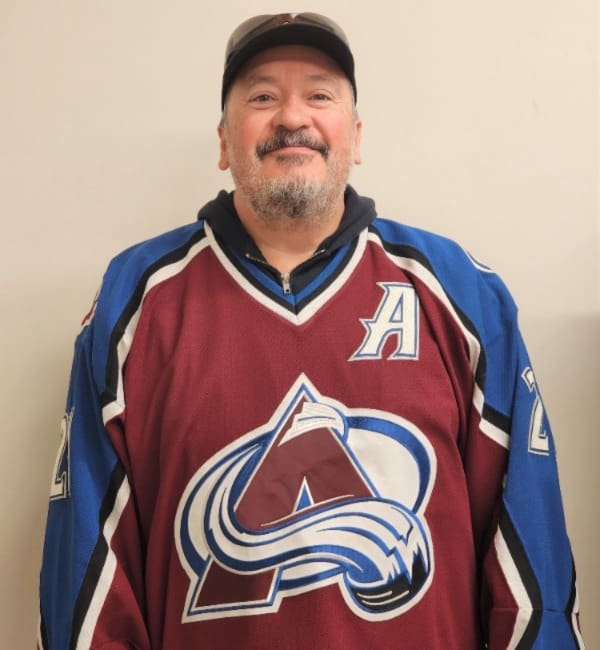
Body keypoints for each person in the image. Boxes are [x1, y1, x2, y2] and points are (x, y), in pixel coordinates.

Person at [38, 12, 584, 650]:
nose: (292, 117)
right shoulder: (135, 303)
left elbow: (530, 570)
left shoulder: (463, 295)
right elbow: (88, 576)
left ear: (354, 136)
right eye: (263, 96)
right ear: (222, 141)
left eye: (319, 94)